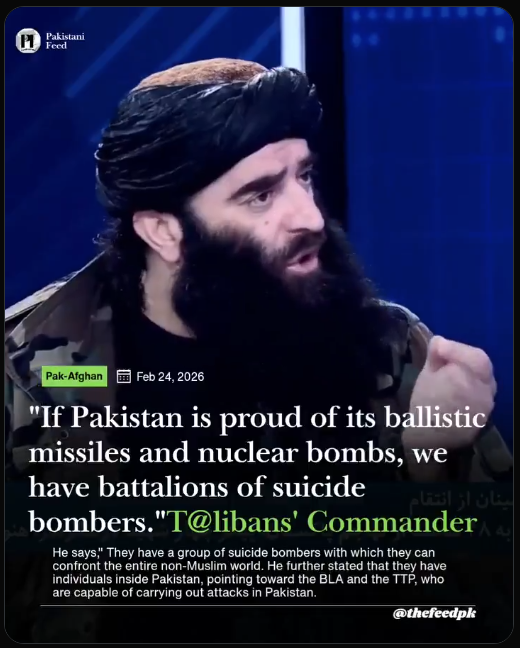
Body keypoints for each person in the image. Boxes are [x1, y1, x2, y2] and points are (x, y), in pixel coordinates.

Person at [5, 58, 512, 643]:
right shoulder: (25, 371)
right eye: (261, 195)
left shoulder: (396, 352)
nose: (310, 216)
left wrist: (430, 464)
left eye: (305, 177)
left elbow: (486, 613)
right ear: (163, 231)